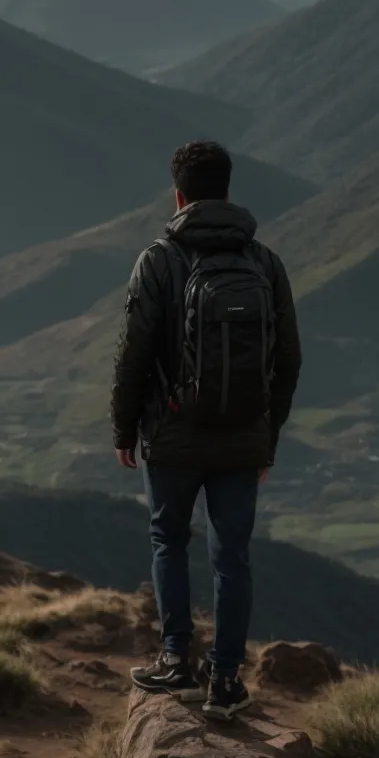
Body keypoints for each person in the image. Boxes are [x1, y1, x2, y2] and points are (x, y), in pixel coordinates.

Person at [113, 140, 301, 719]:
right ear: (226, 189)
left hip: (172, 434)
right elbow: (288, 359)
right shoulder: (264, 262)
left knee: (169, 540)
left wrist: (125, 428)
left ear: (178, 193)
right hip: (244, 437)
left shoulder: (159, 260)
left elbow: (134, 353)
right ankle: (225, 680)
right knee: (233, 557)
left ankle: (176, 661)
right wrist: (266, 434)